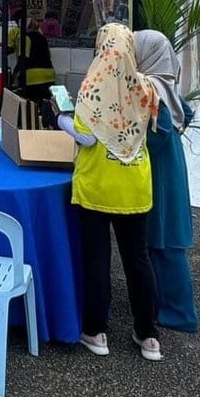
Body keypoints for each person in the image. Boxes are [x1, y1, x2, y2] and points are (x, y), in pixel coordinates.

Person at [55, 22, 163, 361]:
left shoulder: (95, 84)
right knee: (138, 260)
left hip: (98, 184)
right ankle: (148, 336)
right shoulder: (145, 85)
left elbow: (86, 137)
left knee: (97, 259)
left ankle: (96, 332)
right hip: (134, 183)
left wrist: (61, 117)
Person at [135, 29, 199, 332]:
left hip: (159, 174)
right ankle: (164, 302)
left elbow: (155, 135)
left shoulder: (152, 89)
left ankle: (179, 312)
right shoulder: (167, 84)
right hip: (170, 171)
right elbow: (186, 113)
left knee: (164, 243)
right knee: (163, 241)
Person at [10, 17, 58, 106]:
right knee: (46, 103)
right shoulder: (43, 37)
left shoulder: (25, 38)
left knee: (32, 104)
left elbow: (23, 58)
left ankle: (35, 118)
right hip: (49, 74)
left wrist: (14, 74)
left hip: (33, 77)